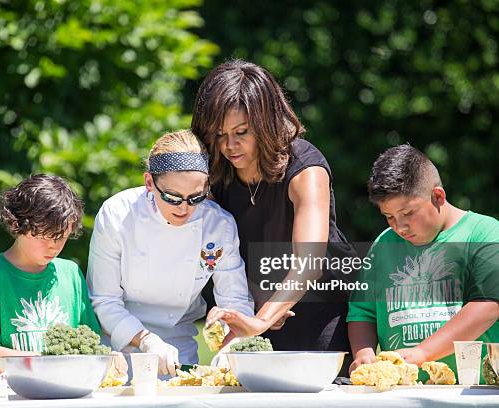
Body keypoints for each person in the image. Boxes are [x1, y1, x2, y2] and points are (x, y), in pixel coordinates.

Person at [192, 59, 355, 358]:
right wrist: (252, 309)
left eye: (242, 132)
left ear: (266, 122)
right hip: (255, 309)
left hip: (320, 311)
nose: (229, 145)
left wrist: (263, 318)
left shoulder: (306, 168)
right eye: (219, 134)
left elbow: (310, 261)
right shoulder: (214, 174)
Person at [88, 129, 254, 376]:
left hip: (180, 347)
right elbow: (104, 300)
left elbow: (236, 301)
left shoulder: (219, 225)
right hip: (118, 349)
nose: (184, 209)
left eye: (196, 197)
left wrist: (232, 344)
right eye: (172, 197)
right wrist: (146, 340)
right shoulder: (117, 214)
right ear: (148, 183)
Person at [347, 144, 499, 379]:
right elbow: (362, 312)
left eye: (408, 213)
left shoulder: (484, 234)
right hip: (402, 392)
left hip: (473, 391)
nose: (399, 226)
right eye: (389, 216)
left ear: (438, 196)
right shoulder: (383, 245)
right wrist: (363, 353)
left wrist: (423, 353)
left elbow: (488, 306)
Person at [0, 174, 102, 362]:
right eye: (45, 236)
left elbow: (91, 345)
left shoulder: (71, 273)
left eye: (62, 237)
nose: (54, 246)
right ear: (18, 224)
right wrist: (45, 361)